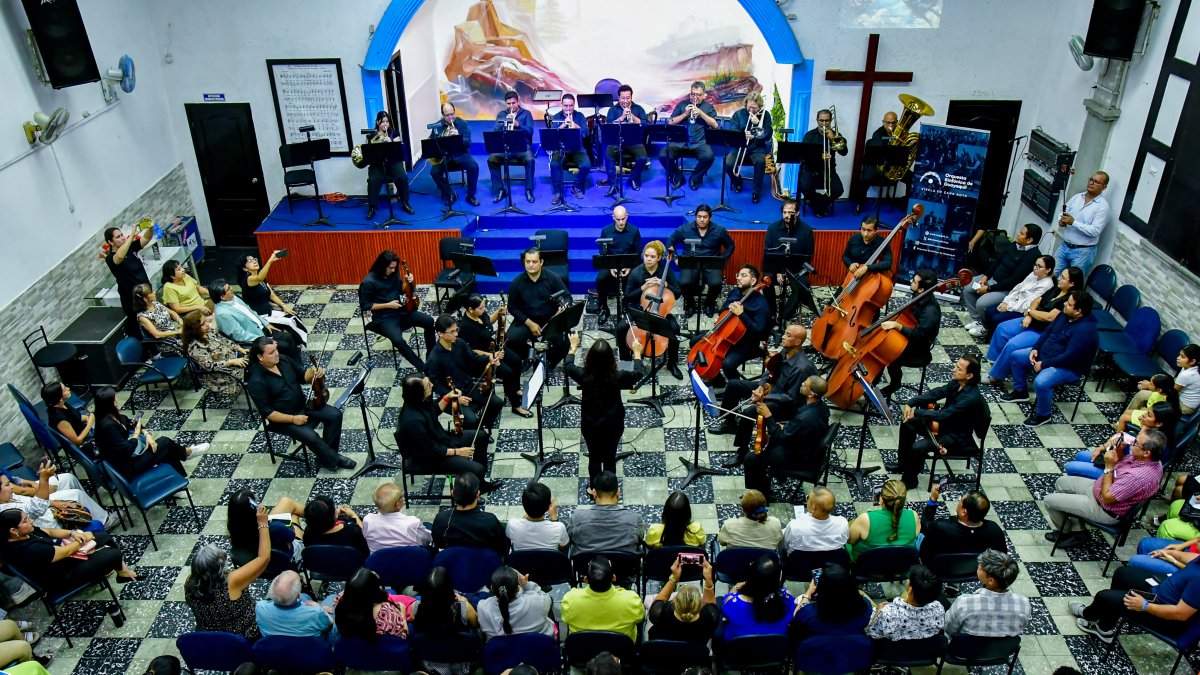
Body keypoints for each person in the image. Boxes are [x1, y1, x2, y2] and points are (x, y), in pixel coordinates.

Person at [1043, 428, 1165, 548]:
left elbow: (1107, 497)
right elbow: (1120, 466)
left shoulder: (1137, 477)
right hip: (1097, 488)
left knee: (1049, 501)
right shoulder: (1149, 459)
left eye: (1136, 443)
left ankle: (1067, 533)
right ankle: (1078, 528)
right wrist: (1119, 450)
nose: (1131, 443)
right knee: (1061, 483)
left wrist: (1108, 466)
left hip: (1103, 508)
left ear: (1146, 453)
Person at [246, 336, 352, 471]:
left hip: (303, 406)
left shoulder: (283, 360)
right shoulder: (256, 381)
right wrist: (293, 419)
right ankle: (335, 458)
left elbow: (303, 376)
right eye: (271, 353)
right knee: (312, 437)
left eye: (276, 350)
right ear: (260, 357)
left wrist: (314, 372)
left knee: (335, 415)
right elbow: (268, 413)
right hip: (284, 419)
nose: (277, 353)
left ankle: (326, 458)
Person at [887, 355, 988, 489]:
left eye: (958, 369)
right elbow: (938, 392)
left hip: (955, 436)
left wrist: (917, 412)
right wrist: (912, 402)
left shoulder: (970, 398)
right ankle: (903, 464)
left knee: (918, 448)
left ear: (969, 375)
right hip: (945, 425)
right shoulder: (957, 383)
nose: (953, 369)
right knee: (908, 422)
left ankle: (910, 480)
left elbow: (943, 415)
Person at [1000, 292, 1099, 426]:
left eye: (1069, 304)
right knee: (1016, 356)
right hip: (1046, 355)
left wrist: (1045, 363)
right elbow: (1048, 332)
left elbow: (1070, 356)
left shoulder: (1085, 330)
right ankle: (1020, 391)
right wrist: (1036, 348)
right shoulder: (1064, 314)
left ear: (1078, 311)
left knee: (1041, 382)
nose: (1064, 304)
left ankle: (1043, 415)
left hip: (1068, 366)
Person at [712, 323, 816, 442]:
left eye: (788, 335)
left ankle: (742, 450)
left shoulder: (801, 368)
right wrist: (761, 386)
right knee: (734, 385)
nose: (783, 337)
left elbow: (791, 397)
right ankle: (729, 423)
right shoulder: (786, 351)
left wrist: (765, 396)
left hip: (784, 403)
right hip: (772, 388)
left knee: (749, 411)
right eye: (785, 333)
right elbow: (771, 370)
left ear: (797, 342)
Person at [1071, 551, 1200, 644]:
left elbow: (1180, 614)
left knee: (1104, 597)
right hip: (1158, 592)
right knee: (1123, 573)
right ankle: (1105, 626)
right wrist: (1169, 552)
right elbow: (1188, 557)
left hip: (1163, 615)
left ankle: (1088, 616)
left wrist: (1144, 606)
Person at [0, 509, 136, 594]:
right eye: (25, 520)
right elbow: (65, 552)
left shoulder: (26, 531)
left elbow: (49, 531)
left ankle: (122, 572)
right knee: (112, 554)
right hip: (62, 577)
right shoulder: (26, 550)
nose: (30, 521)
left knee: (103, 537)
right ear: (13, 531)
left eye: (28, 517)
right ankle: (109, 569)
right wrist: (82, 539)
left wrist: (72, 533)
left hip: (63, 561)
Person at [565, 334, 645, 478]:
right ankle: (608, 490)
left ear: (589, 358)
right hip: (613, 425)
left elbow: (568, 365)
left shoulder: (583, 375)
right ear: (611, 359)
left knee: (594, 457)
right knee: (610, 457)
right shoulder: (618, 376)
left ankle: (594, 489)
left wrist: (573, 346)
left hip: (590, 425)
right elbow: (639, 373)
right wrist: (637, 353)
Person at [986, 266, 1083, 384]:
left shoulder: (1069, 300)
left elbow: (1049, 317)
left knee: (1013, 345)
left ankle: (995, 375)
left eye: (1062, 277)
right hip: (1031, 320)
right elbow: (1036, 301)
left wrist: (1030, 312)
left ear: (1072, 283)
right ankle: (997, 362)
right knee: (1002, 328)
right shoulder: (1057, 289)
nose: (1058, 278)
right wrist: (1029, 315)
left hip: (1041, 330)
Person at [742, 376, 831, 502]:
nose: (802, 383)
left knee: (751, 458)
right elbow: (798, 430)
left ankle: (760, 496)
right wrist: (787, 427)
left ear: (811, 393)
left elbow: (781, 437)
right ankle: (776, 476)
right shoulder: (822, 407)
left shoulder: (805, 418)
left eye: (805, 384)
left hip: (799, 458)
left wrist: (768, 416)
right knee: (769, 445)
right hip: (808, 446)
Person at [396, 374, 493, 486]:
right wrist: (457, 451)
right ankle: (471, 488)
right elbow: (430, 450)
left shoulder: (419, 400)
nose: (432, 385)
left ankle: (478, 483)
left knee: (481, 437)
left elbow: (434, 411)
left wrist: (448, 397)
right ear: (418, 392)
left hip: (439, 440)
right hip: (430, 458)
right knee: (478, 469)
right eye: (428, 386)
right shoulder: (413, 422)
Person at [186, 515, 270, 642]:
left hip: (210, 640)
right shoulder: (232, 582)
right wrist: (263, 523)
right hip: (244, 638)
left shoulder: (189, 583)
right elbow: (264, 558)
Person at [93, 386, 206, 480]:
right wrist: (137, 434)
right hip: (127, 466)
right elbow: (127, 450)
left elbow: (133, 423)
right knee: (165, 443)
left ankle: (180, 480)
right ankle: (186, 453)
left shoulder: (115, 417)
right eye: (114, 398)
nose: (117, 400)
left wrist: (147, 435)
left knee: (164, 449)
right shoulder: (107, 427)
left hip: (129, 458)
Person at [614, 240, 681, 379]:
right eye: (646, 255)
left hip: (661, 311)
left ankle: (672, 363)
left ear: (659, 258)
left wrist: (666, 284)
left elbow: (678, 293)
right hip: (639, 309)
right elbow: (627, 297)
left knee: (675, 328)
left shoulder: (665, 271)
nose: (648, 259)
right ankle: (626, 363)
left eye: (652, 256)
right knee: (621, 328)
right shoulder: (636, 272)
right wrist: (642, 288)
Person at [358, 250, 436, 371]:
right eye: (391, 268)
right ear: (382, 266)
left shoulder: (393, 274)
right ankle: (421, 367)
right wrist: (387, 305)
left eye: (395, 268)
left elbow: (401, 290)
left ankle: (431, 357)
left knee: (429, 321)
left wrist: (409, 282)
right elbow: (365, 305)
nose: (393, 270)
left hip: (400, 311)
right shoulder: (368, 282)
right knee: (397, 340)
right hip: (383, 318)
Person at [961, 224, 1044, 335]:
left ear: (1029, 240)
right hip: (992, 279)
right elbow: (997, 261)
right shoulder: (1014, 244)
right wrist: (985, 276)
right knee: (967, 287)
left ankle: (985, 327)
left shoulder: (1033, 256)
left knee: (981, 303)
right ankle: (976, 320)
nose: (1018, 235)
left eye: (1022, 234)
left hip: (1006, 289)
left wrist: (989, 289)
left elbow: (1014, 280)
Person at [457, 294, 531, 418]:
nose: (484, 310)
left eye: (484, 306)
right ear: (470, 309)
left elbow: (488, 322)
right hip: (480, 359)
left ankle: (515, 389)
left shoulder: (480, 315)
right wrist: (492, 355)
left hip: (492, 347)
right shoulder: (465, 327)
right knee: (507, 372)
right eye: (481, 308)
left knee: (517, 360)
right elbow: (471, 350)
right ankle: (516, 406)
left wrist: (498, 312)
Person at [427, 314, 503, 433]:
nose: (456, 334)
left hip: (468, 386)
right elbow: (436, 385)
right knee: (471, 419)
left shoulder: (460, 343)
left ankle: (480, 429)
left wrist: (489, 358)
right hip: (452, 395)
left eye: (456, 330)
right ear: (440, 334)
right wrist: (455, 397)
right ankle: (473, 434)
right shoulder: (434, 359)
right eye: (451, 332)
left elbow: (473, 358)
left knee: (496, 402)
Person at [1066, 402, 1176, 480]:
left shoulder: (1152, 444)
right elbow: (1120, 438)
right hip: (1118, 462)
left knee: (1071, 467)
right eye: (1146, 412)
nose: (1142, 415)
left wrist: (1110, 461)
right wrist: (1102, 447)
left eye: (1149, 415)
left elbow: (1127, 464)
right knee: (1081, 455)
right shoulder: (1147, 433)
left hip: (1119, 473)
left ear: (1159, 424)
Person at [877, 268, 941, 399]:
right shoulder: (919, 296)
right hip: (910, 339)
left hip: (918, 350)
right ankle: (873, 382)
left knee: (888, 354)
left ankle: (894, 384)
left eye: (915, 282)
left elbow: (920, 335)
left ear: (922, 289)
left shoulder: (930, 311)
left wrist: (898, 325)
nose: (911, 281)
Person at [703, 264, 770, 384]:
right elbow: (722, 310)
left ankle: (736, 388)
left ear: (753, 281)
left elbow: (760, 333)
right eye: (738, 275)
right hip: (725, 335)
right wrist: (726, 310)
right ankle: (718, 381)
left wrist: (742, 314)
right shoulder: (735, 291)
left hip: (747, 343)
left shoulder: (762, 304)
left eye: (743, 275)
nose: (738, 278)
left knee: (727, 364)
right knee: (697, 344)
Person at [0, 464, 113, 534]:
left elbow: (14, 482)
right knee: (76, 495)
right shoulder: (7, 512)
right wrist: (44, 483)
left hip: (44, 507)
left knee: (68, 478)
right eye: (7, 485)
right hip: (50, 522)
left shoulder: (7, 495)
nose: (11, 487)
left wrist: (51, 501)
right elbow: (35, 507)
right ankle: (105, 520)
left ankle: (89, 512)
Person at [506, 247, 571, 369]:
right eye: (527, 261)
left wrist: (562, 308)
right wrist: (530, 323)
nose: (531, 265)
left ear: (541, 262)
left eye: (534, 262)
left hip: (550, 320)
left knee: (563, 343)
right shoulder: (517, 282)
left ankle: (549, 361)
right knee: (510, 339)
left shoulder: (553, 278)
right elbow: (512, 307)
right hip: (526, 320)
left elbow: (567, 297)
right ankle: (529, 354)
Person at [667, 205, 735, 318]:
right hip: (691, 262)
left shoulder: (719, 230)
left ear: (710, 218)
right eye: (699, 217)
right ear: (695, 217)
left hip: (711, 263)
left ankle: (709, 303)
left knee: (716, 283)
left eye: (705, 217)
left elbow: (730, 246)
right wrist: (675, 257)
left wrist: (723, 259)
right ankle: (690, 303)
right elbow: (670, 241)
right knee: (683, 283)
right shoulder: (685, 229)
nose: (702, 220)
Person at [944, 549, 1031, 637]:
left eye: (981, 568)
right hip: (1000, 650)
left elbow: (948, 629)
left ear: (991, 581)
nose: (978, 566)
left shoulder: (964, 603)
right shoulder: (1024, 604)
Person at [209, 280, 301, 362]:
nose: (232, 288)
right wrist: (262, 339)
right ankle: (295, 369)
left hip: (262, 328)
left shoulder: (234, 298)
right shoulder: (223, 314)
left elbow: (251, 312)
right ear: (222, 296)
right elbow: (240, 335)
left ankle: (297, 365)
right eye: (228, 289)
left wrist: (266, 323)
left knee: (289, 336)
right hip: (255, 338)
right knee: (285, 346)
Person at [561, 555, 645, 641]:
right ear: (614, 578)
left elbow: (566, 618)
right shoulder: (631, 600)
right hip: (620, 652)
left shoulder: (570, 599)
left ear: (586, 579)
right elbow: (640, 618)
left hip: (582, 651)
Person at [919, 482, 1006, 562]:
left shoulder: (940, 527)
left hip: (941, 571)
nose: (959, 502)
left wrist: (933, 500)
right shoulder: (994, 530)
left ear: (964, 512)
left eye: (960, 500)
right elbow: (1001, 557)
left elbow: (924, 525)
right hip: (974, 572)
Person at [236, 252, 308, 347]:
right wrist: (270, 261)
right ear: (244, 268)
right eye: (250, 261)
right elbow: (258, 278)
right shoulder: (248, 280)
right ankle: (299, 344)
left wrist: (283, 305)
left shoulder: (261, 278)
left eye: (254, 259)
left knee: (293, 316)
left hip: (269, 311)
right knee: (289, 321)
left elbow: (271, 294)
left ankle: (299, 342)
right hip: (261, 317)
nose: (254, 261)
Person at [762, 200, 814, 328]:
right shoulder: (773, 228)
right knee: (766, 280)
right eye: (784, 212)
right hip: (777, 269)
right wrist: (778, 271)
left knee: (803, 285)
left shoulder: (807, 231)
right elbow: (767, 252)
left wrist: (793, 274)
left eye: (790, 213)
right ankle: (772, 313)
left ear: (797, 213)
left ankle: (784, 316)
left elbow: (808, 256)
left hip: (796, 270)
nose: (786, 215)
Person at [568, 471, 644, 556]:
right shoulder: (634, 519)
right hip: (625, 568)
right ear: (618, 492)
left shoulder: (577, 518)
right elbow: (640, 540)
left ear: (594, 493)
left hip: (586, 568)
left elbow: (568, 540)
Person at [659, 81, 719, 190]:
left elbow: (715, 125)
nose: (695, 97)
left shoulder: (708, 107)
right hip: (680, 142)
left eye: (698, 95)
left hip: (699, 142)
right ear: (690, 93)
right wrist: (685, 114)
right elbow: (670, 122)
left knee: (709, 157)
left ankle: (695, 178)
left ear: (704, 95)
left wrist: (701, 113)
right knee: (663, 155)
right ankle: (677, 177)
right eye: (693, 94)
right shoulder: (682, 104)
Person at [975, 254, 1056, 335]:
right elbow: (1018, 288)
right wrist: (1006, 302)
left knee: (996, 318)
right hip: (1013, 302)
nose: (1035, 268)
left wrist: (1009, 307)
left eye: (1039, 266)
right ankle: (989, 332)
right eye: (1035, 265)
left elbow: (1029, 303)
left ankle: (994, 336)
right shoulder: (1033, 274)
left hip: (1022, 310)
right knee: (989, 311)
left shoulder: (1047, 285)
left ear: (1048, 270)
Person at [720, 553, 796, 639]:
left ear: (750, 579)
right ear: (777, 579)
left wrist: (736, 587)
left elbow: (725, 606)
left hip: (739, 649)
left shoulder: (733, 603)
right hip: (775, 649)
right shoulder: (787, 599)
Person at [790, 562, 874, 640]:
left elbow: (795, 615)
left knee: (799, 598)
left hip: (818, 644)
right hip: (851, 644)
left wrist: (808, 593)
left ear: (821, 589)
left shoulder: (808, 613)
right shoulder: (865, 606)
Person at [431, 473, 508, 555]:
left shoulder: (441, 519)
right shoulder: (490, 521)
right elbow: (502, 546)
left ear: (452, 493)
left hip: (454, 562)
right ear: (478, 494)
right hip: (484, 562)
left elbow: (439, 543)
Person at [865, 565, 947, 642]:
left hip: (893, 651)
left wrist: (878, 612)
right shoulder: (939, 609)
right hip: (921, 651)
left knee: (862, 595)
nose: (907, 580)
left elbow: (872, 634)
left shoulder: (887, 613)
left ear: (910, 589)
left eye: (909, 579)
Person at [647, 555, 719, 642]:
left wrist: (674, 578)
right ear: (701, 605)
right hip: (694, 654)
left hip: (663, 653)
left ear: (674, 601)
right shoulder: (710, 617)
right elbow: (711, 604)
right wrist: (708, 579)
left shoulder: (659, 614)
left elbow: (658, 602)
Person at [1053, 170, 1110, 277]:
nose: (1091, 183)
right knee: (1051, 277)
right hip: (1064, 246)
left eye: (1096, 182)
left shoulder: (1103, 207)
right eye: (1091, 180)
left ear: (1104, 187)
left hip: (1083, 252)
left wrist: (1073, 222)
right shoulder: (1077, 197)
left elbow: (1095, 231)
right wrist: (1061, 220)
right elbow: (1063, 212)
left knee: (1072, 284)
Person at [226, 489, 303, 567]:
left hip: (254, 565)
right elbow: (291, 536)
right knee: (294, 516)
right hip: (285, 561)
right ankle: (313, 513)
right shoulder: (276, 528)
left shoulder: (234, 530)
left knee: (286, 502)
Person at [848, 480, 920, 562]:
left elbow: (850, 540)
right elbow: (915, 536)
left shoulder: (865, 519)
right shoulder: (913, 516)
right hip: (901, 568)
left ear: (881, 499)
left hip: (868, 569)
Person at [594, 206, 643, 325]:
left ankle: (629, 307)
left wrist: (629, 267)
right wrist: (611, 267)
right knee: (600, 279)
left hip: (628, 264)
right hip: (611, 263)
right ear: (613, 218)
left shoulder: (634, 231)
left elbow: (638, 252)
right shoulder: (606, 231)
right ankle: (603, 308)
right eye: (618, 219)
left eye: (623, 219)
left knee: (636, 277)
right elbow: (603, 252)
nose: (621, 222)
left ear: (627, 216)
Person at [477, 566, 555, 640]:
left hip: (503, 653)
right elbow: (547, 598)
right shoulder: (537, 601)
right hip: (538, 651)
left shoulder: (482, 608)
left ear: (492, 589)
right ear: (518, 588)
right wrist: (526, 584)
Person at [182, 310, 248, 396]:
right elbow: (210, 366)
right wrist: (231, 362)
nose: (207, 324)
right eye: (203, 323)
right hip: (222, 375)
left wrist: (239, 348)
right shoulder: (195, 347)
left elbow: (225, 341)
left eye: (205, 321)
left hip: (233, 360)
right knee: (257, 368)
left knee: (257, 357)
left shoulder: (209, 332)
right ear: (195, 328)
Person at [104, 224, 154, 336]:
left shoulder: (130, 248)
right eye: (118, 237)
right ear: (110, 242)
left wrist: (150, 228)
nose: (122, 237)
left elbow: (146, 238)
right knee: (142, 328)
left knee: (154, 320)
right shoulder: (110, 258)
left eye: (122, 235)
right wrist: (131, 236)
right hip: (132, 299)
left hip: (146, 292)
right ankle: (150, 351)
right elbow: (119, 257)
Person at [335, 568, 412, 640]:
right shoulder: (387, 613)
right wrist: (402, 613)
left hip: (354, 648)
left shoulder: (340, 600)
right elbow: (402, 635)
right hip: (381, 648)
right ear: (374, 592)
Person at [363, 111, 414, 219]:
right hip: (377, 164)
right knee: (373, 180)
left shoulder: (394, 134)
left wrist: (390, 141)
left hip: (393, 162)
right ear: (377, 122)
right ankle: (372, 206)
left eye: (387, 121)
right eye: (382, 122)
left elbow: (398, 152)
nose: (385, 124)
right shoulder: (371, 135)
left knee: (402, 177)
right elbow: (367, 153)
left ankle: (405, 202)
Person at [724, 92, 774, 203]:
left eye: (754, 108)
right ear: (746, 104)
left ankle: (756, 191)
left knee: (761, 162)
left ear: (759, 106)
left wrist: (757, 126)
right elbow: (732, 131)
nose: (751, 109)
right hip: (740, 146)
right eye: (749, 106)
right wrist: (743, 135)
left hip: (757, 148)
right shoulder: (738, 114)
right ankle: (737, 182)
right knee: (728, 164)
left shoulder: (765, 115)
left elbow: (768, 135)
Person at [488, 90, 536, 204]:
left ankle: (528, 190)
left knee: (530, 160)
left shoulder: (526, 114)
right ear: (505, 103)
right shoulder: (501, 114)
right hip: (506, 147)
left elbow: (530, 132)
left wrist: (518, 124)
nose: (511, 106)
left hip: (522, 147)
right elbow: (495, 131)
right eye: (508, 104)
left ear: (518, 102)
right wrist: (505, 122)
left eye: (513, 103)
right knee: (491, 160)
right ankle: (501, 189)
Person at [429, 103, 480, 206]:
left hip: (461, 154)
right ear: (442, 115)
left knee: (474, 166)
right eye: (447, 115)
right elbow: (431, 144)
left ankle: (470, 195)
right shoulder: (437, 126)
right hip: (445, 157)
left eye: (452, 114)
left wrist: (458, 137)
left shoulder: (462, 124)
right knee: (434, 172)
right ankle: (450, 193)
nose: (450, 117)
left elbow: (468, 143)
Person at [255, 570, 333, 638]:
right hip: (308, 649)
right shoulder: (316, 612)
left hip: (273, 648)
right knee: (331, 598)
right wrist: (319, 607)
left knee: (305, 596)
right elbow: (329, 625)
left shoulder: (260, 607)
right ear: (298, 595)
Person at [603, 84, 651, 194]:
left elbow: (646, 125)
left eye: (628, 98)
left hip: (634, 141)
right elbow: (609, 126)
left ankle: (633, 178)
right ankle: (613, 184)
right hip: (617, 141)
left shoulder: (638, 108)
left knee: (643, 158)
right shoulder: (613, 110)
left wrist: (633, 117)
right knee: (608, 156)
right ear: (619, 98)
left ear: (631, 97)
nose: (625, 101)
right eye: (623, 98)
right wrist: (622, 117)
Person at [799, 109, 847, 217]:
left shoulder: (836, 135)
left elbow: (844, 152)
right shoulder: (809, 135)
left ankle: (818, 204)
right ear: (817, 121)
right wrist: (819, 157)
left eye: (827, 121)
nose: (824, 123)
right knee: (805, 187)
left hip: (829, 169)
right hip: (811, 168)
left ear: (830, 121)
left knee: (838, 190)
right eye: (821, 121)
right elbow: (803, 156)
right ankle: (820, 204)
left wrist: (834, 138)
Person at [852, 110, 901, 213]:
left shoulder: (901, 133)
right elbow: (878, 150)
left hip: (895, 165)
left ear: (897, 122)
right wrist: (893, 139)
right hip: (877, 165)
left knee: (911, 178)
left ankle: (904, 202)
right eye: (888, 123)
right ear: (883, 122)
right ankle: (859, 202)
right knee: (865, 179)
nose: (891, 125)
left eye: (893, 123)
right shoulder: (878, 133)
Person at [362, 482, 432, 552]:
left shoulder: (368, 520)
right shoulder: (412, 523)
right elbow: (426, 540)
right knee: (428, 525)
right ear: (398, 504)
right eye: (402, 496)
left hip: (379, 560)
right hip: (408, 559)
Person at [410, 566, 478, 636]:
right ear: (450, 591)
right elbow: (476, 626)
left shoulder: (414, 607)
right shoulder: (465, 608)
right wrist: (465, 601)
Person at [549, 93, 591, 205]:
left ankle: (576, 186)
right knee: (554, 165)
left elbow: (586, 133)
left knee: (586, 165)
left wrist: (575, 125)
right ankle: (558, 192)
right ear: (561, 105)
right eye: (566, 106)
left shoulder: (580, 116)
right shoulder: (556, 117)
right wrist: (563, 126)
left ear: (574, 105)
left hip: (577, 149)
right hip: (561, 149)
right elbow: (552, 136)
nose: (568, 108)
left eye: (571, 106)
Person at [783, 486, 849, 554]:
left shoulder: (795, 526)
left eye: (808, 497)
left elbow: (785, 544)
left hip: (802, 561)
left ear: (813, 508)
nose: (807, 498)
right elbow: (844, 541)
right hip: (832, 560)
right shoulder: (842, 523)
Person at [507, 481, 568, 552]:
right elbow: (563, 547)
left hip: (522, 561)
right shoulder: (559, 528)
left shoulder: (512, 524)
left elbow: (509, 538)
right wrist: (554, 517)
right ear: (548, 506)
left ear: (523, 504)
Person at [303, 496, 369, 557]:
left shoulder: (308, 534)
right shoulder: (352, 530)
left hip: (322, 566)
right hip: (351, 566)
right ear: (333, 517)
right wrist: (353, 515)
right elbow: (365, 551)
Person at [718, 489, 783, 550]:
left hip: (737, 561)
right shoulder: (775, 523)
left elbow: (722, 542)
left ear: (743, 510)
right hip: (764, 561)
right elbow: (779, 540)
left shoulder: (730, 526)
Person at [133, 283, 183, 354]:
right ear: (145, 299)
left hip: (176, 333)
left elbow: (172, 313)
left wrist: (180, 322)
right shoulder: (143, 317)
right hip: (168, 343)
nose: (154, 292)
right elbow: (157, 334)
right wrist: (178, 331)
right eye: (151, 292)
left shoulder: (155, 303)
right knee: (194, 344)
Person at [40, 381, 92, 448]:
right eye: (65, 389)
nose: (68, 388)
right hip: (84, 440)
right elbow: (77, 441)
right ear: (59, 397)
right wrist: (89, 424)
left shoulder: (61, 404)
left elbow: (72, 417)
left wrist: (87, 418)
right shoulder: (60, 419)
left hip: (82, 427)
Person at [841, 215, 893, 281]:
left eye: (869, 230)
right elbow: (845, 256)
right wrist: (850, 264)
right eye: (863, 229)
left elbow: (888, 263)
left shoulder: (883, 243)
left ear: (876, 230)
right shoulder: (854, 238)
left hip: (872, 279)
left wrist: (867, 268)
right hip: (853, 277)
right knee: (840, 291)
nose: (865, 234)